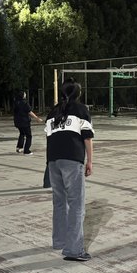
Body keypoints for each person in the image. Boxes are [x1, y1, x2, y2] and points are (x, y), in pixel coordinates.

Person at [45, 78, 95, 261]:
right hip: (72, 160)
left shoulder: (53, 112)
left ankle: (59, 240)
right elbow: (87, 137)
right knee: (76, 204)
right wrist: (90, 162)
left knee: (59, 202)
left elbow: (49, 138)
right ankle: (74, 250)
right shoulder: (81, 110)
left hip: (53, 161)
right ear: (77, 93)